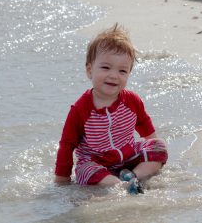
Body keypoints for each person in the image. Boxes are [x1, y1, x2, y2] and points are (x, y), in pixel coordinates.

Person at [54, 23, 168, 193]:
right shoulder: (80, 109)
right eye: (106, 67)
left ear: (129, 73)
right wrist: (61, 181)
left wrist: (151, 152)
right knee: (86, 172)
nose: (114, 75)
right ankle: (118, 185)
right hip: (96, 163)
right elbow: (67, 145)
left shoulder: (131, 101)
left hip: (128, 157)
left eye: (122, 71)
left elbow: (145, 126)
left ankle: (133, 177)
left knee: (159, 146)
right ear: (89, 70)